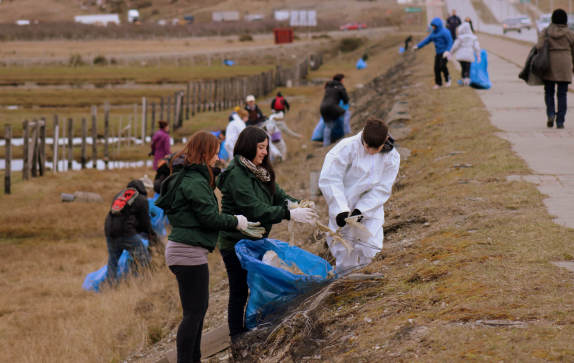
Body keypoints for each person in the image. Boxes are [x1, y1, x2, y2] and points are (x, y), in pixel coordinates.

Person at [156, 131, 264, 363]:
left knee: (198, 311)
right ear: (204, 153)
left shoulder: (189, 176)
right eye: (215, 153)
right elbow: (210, 218)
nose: (217, 157)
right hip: (188, 253)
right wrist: (237, 221)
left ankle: (194, 359)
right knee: (193, 314)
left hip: (184, 250)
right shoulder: (194, 182)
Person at [217, 126, 317, 340]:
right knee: (240, 290)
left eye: (266, 147)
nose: (265, 152)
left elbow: (279, 196)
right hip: (234, 242)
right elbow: (255, 209)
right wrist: (289, 214)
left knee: (256, 284)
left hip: (254, 240)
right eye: (261, 147)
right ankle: (237, 335)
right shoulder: (236, 174)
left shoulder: (260, 171)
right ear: (248, 146)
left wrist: (299, 205)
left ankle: (254, 325)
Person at [319, 119, 400, 274]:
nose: (370, 150)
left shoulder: (392, 157)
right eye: (367, 146)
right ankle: (344, 279)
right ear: (363, 137)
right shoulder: (346, 148)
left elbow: (382, 188)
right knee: (343, 248)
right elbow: (330, 178)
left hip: (371, 208)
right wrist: (340, 209)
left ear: (384, 142)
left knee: (371, 246)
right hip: (344, 205)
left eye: (375, 148)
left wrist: (361, 210)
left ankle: (367, 279)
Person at [104, 179, 156, 284]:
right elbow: (145, 222)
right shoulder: (141, 199)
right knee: (143, 256)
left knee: (113, 260)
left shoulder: (119, 195)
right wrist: (151, 234)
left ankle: (110, 285)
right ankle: (147, 281)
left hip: (109, 231)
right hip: (126, 232)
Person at [536, 9, 574, 129]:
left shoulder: (546, 31)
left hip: (549, 64)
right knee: (562, 93)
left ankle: (551, 114)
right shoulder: (569, 33)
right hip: (565, 64)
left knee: (549, 91)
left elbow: (539, 46)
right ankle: (560, 121)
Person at [414, 17, 453, 89]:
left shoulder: (445, 32)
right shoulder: (433, 34)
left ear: (438, 25)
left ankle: (448, 79)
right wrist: (418, 46)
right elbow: (426, 41)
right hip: (438, 53)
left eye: (434, 26)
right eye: (432, 26)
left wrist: (447, 51)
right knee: (436, 68)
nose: (433, 27)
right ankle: (438, 83)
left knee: (442, 66)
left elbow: (450, 42)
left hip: (446, 52)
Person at [320, 74, 350, 146]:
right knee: (347, 114)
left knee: (328, 126)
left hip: (322, 107)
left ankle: (326, 144)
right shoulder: (340, 87)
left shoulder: (328, 86)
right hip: (332, 106)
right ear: (341, 80)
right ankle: (348, 134)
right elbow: (346, 100)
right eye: (343, 79)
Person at [447, 22, 481, 86]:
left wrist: (450, 53)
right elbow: (477, 47)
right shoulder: (473, 37)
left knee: (463, 68)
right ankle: (466, 80)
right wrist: (478, 55)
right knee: (467, 68)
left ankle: (463, 79)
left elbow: (455, 46)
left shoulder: (460, 37)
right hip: (469, 55)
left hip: (461, 56)